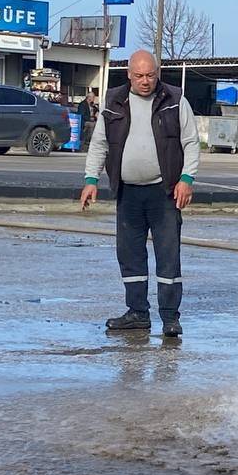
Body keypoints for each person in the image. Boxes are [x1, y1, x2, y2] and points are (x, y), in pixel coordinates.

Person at [79, 50, 200, 338]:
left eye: (151, 75)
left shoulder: (175, 100)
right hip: (128, 194)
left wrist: (186, 178)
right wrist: (91, 179)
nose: (145, 81)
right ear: (129, 75)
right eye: (139, 76)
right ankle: (137, 313)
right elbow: (99, 143)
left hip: (165, 193)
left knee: (168, 256)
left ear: (157, 73)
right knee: (130, 255)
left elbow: (191, 142)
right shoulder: (114, 102)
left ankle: (170, 317)